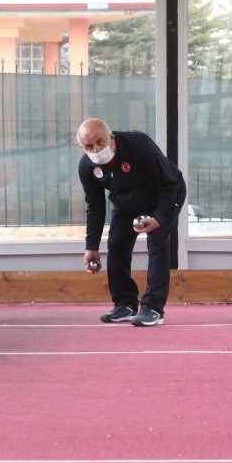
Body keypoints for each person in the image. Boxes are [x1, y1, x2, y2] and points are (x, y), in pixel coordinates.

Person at [77, 118, 186, 327]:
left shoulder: (139, 144)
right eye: (88, 146)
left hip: (163, 195)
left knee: (158, 242)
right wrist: (91, 247)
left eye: (100, 142)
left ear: (111, 137)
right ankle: (125, 303)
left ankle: (153, 308)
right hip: (126, 201)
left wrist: (159, 218)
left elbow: (169, 183)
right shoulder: (87, 167)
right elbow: (95, 207)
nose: (96, 149)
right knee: (116, 244)